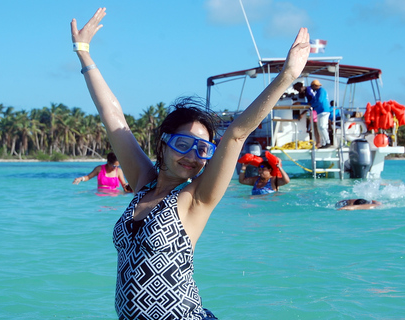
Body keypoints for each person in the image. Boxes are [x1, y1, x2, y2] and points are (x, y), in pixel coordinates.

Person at [71, 7, 310, 319]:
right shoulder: (143, 183)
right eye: (183, 145)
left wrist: (287, 76)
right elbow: (112, 115)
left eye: (203, 149)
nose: (193, 156)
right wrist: (84, 52)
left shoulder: (195, 198)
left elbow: (237, 134)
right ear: (163, 144)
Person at [293, 82, 320, 146]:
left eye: (299, 90)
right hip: (314, 110)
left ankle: (317, 142)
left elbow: (311, 104)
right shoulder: (309, 89)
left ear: (302, 87)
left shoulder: (308, 92)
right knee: (313, 127)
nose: (299, 92)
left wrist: (301, 105)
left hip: (315, 110)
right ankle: (316, 142)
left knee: (314, 127)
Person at [310, 79, 331, 148]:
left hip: (323, 111)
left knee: (322, 127)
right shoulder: (318, 92)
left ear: (315, 86)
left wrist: (312, 106)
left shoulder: (321, 91)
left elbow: (319, 101)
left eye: (312, 86)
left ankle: (327, 142)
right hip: (320, 111)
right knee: (320, 127)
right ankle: (324, 143)